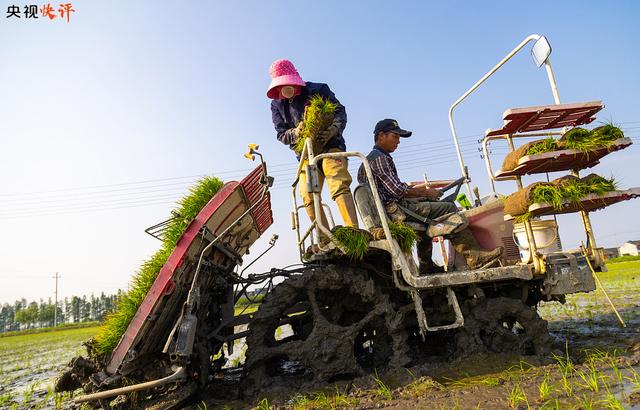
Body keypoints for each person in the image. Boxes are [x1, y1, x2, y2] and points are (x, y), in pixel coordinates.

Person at [357, 119, 503, 274]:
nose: (398, 141)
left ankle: (426, 265)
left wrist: (423, 197)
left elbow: (391, 190)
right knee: (448, 208)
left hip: (391, 210)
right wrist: (426, 192)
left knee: (430, 208)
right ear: (381, 136)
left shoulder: (370, 160)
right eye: (395, 136)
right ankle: (474, 256)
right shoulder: (379, 158)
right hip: (396, 212)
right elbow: (397, 190)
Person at [267, 59, 358, 229]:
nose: (287, 90)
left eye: (289, 84)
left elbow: (339, 111)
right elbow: (281, 134)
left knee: (337, 181)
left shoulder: (317, 90)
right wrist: (296, 132)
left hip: (330, 145)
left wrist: (333, 129)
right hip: (306, 155)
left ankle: (353, 229)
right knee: (307, 195)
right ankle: (325, 238)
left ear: (295, 79)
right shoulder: (277, 105)